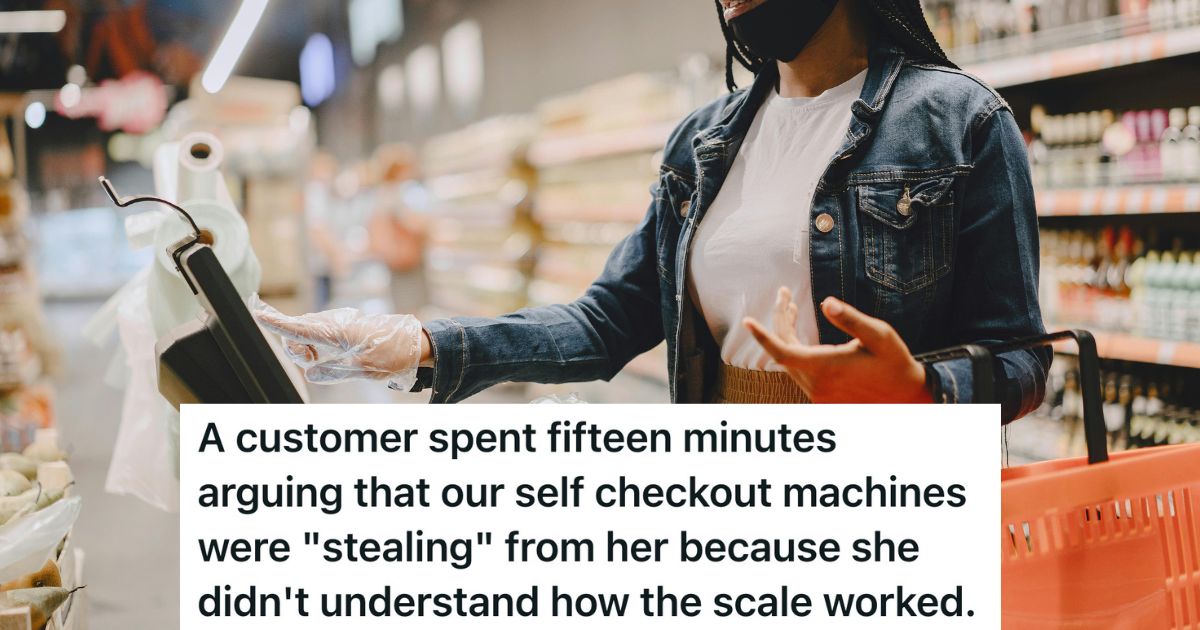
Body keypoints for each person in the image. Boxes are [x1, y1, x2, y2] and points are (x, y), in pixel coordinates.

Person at [256, 0, 1050, 422]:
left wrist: (920, 390)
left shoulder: (961, 122)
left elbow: (1023, 360)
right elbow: (607, 322)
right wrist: (423, 346)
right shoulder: (701, 145)